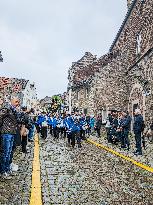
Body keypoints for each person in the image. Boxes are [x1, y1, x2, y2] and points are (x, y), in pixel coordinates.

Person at [0, 96, 20, 178]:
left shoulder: (13, 110)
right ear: (11, 101)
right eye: (16, 101)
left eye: (18, 102)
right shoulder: (6, 107)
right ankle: (3, 171)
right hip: (6, 133)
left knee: (9, 153)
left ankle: (7, 169)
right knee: (5, 153)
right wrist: (3, 127)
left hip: (12, 133)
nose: (17, 103)